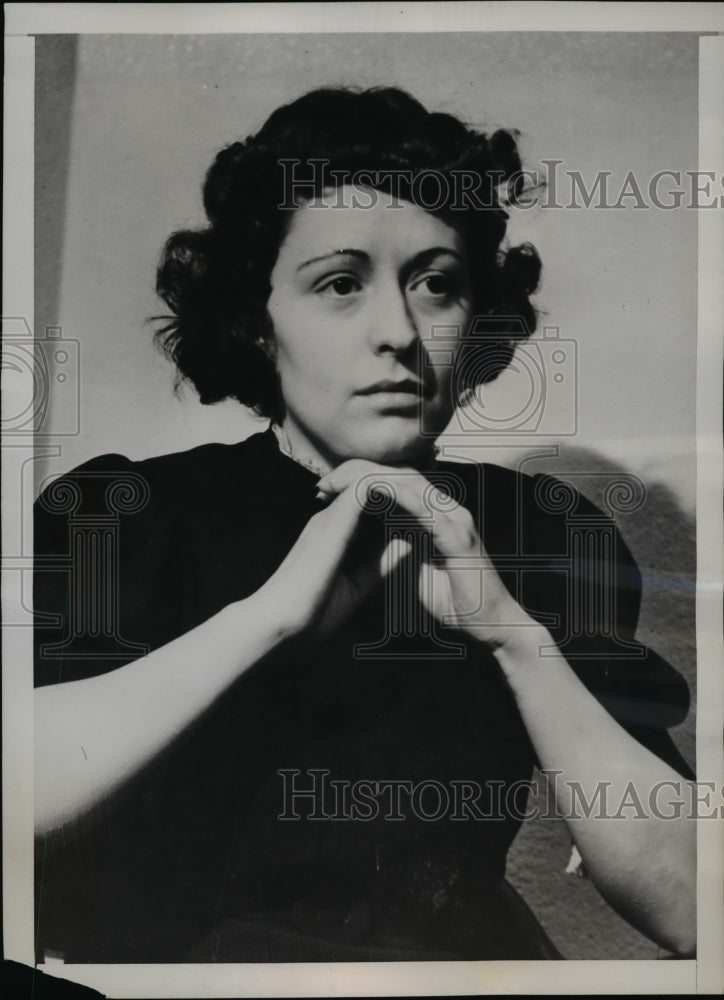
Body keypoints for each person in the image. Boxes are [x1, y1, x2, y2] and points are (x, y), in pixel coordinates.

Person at [33, 86, 696, 963]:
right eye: (340, 285)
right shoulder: (126, 515)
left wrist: (513, 638)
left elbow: (703, 913)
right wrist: (266, 619)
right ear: (255, 320)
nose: (398, 331)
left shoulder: (539, 531)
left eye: (436, 285)